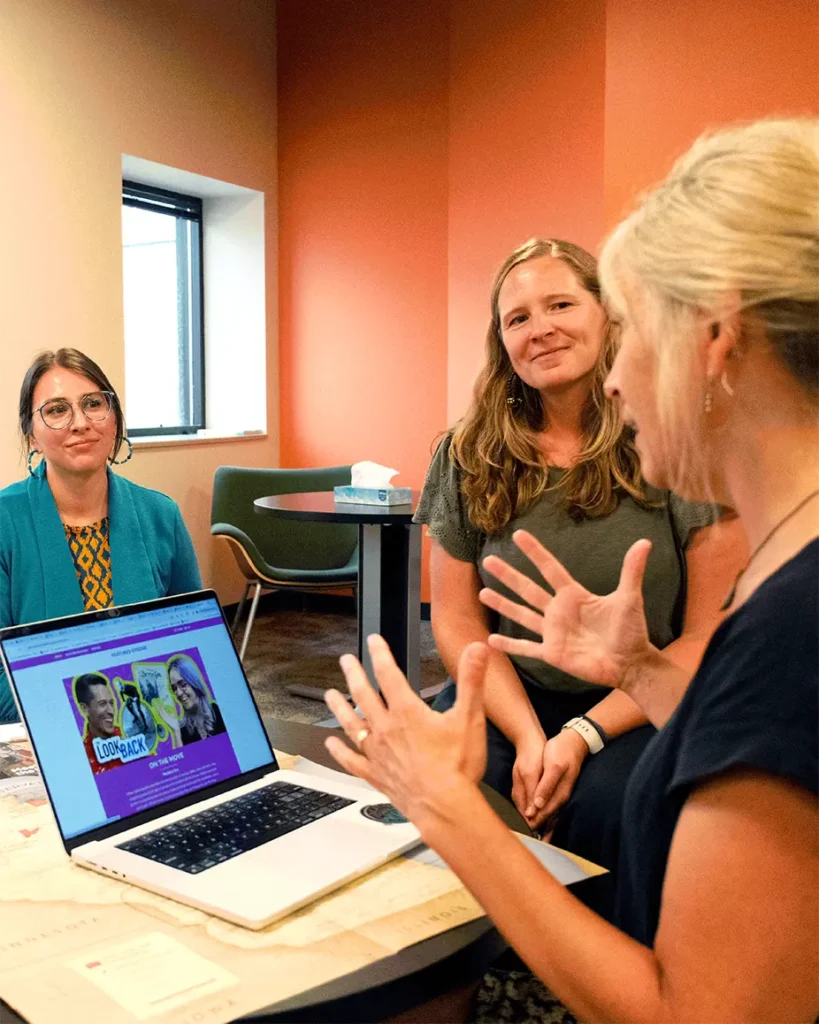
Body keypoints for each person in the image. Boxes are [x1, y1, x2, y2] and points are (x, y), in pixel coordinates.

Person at [324, 118, 819, 1023]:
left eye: (628, 329)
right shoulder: (793, 580)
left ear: (713, 333)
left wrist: (448, 807)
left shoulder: (792, 626)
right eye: (519, 317)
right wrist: (639, 669)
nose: (619, 379)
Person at [414, 238, 746, 872]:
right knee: (444, 786)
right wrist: (527, 735)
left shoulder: (673, 438)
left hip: (642, 695)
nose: (540, 330)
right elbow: (456, 621)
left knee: (610, 804)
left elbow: (708, 633)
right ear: (502, 343)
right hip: (512, 694)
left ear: (607, 314)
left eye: (560, 304)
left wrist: (582, 734)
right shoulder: (465, 453)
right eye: (518, 318)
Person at [0, 348, 203, 723]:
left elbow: (192, 645)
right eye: (57, 410)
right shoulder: (4, 521)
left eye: (93, 404)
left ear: (115, 420)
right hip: (37, 734)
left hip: (152, 728)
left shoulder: (161, 515)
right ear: (31, 435)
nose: (80, 423)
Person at [167, 654, 226, 745]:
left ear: (194, 682)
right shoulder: (183, 729)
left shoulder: (217, 712)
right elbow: (185, 758)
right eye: (174, 688)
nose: (178, 693)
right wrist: (176, 732)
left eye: (183, 684)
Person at [75, 673, 123, 775]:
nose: (111, 711)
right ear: (85, 709)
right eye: (102, 704)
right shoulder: (82, 758)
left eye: (111, 703)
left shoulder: (128, 734)